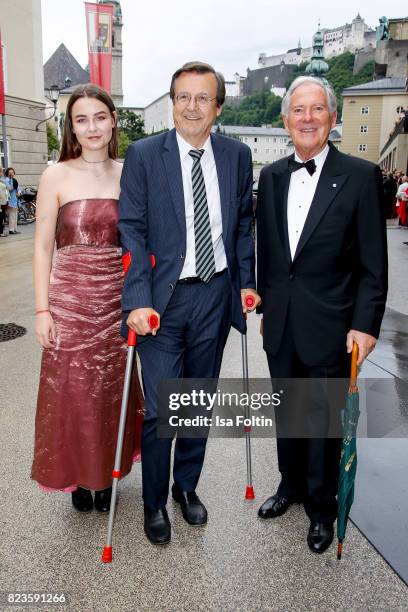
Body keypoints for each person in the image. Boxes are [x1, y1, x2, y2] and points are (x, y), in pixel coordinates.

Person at [119, 61, 260, 545]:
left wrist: (245, 281)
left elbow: (242, 225)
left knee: (196, 405)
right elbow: (132, 231)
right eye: (183, 97)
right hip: (161, 301)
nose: (191, 106)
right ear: (172, 102)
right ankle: (154, 501)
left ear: (217, 107)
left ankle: (186, 487)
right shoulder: (143, 155)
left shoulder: (238, 155)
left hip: (215, 297)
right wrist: (135, 298)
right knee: (161, 409)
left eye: (202, 98)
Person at [256, 76, 388, 553]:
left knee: (324, 419)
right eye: (298, 110)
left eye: (317, 110)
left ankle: (321, 506)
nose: (307, 118)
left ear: (332, 119)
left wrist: (366, 324)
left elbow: (374, 263)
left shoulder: (359, 175)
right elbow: (267, 250)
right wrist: (262, 299)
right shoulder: (270, 176)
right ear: (286, 119)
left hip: (333, 323)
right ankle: (289, 486)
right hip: (282, 322)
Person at [31, 84, 144, 513]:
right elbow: (43, 246)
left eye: (100, 116)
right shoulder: (55, 175)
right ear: (71, 128)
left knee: (111, 390)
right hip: (70, 299)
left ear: (113, 119)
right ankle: (80, 475)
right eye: (82, 119)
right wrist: (43, 310)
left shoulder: (130, 172)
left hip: (117, 297)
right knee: (74, 391)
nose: (92, 126)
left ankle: (107, 472)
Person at [4, 167, 20, 234]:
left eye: (12, 172)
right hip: (10, 200)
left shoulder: (15, 180)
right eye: (10, 172)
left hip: (16, 199)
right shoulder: (6, 180)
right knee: (11, 215)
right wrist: (11, 182)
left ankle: (15, 229)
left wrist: (19, 192)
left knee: (15, 215)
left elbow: (18, 188)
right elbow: (9, 189)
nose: (11, 173)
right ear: (7, 173)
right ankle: (11, 230)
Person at [0, 167, 9, 237]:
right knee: (1, 217)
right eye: (1, 171)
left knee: (2, 216)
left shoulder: (1, 181)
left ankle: (1, 231)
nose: (2, 173)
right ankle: (1, 232)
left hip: (3, 202)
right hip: (1, 203)